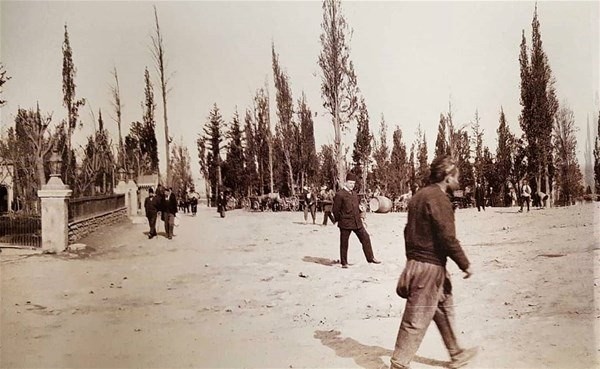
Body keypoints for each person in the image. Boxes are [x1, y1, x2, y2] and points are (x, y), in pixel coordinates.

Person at [390, 155, 478, 369]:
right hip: (429, 267)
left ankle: (456, 353)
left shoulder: (418, 196)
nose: (459, 182)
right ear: (448, 177)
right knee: (416, 318)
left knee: (443, 308)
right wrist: (464, 263)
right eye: (457, 177)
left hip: (417, 263)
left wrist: (412, 259)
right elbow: (447, 237)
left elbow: (407, 231)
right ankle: (398, 364)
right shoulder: (440, 199)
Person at [332, 172, 381, 268]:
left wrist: (360, 209)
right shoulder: (340, 194)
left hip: (357, 222)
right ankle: (344, 262)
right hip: (345, 223)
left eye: (353, 184)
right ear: (346, 182)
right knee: (344, 243)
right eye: (350, 183)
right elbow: (335, 210)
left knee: (365, 237)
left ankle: (370, 258)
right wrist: (340, 220)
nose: (352, 185)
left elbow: (356, 206)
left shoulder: (354, 194)